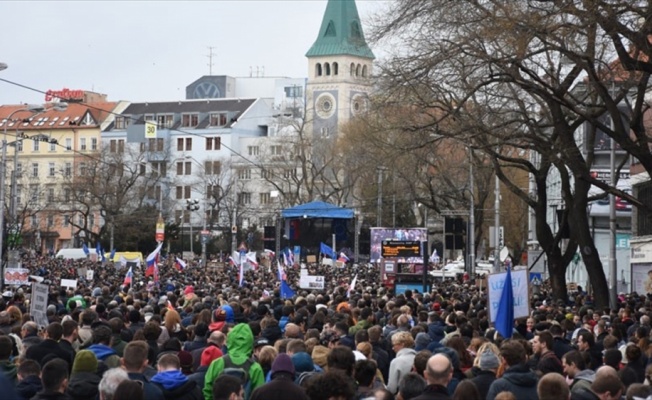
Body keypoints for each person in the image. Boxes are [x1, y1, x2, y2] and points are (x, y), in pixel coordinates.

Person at [203, 323, 264, 400]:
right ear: (250, 341)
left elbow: (207, 390)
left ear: (230, 339)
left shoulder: (217, 363)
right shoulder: (255, 367)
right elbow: (259, 395)